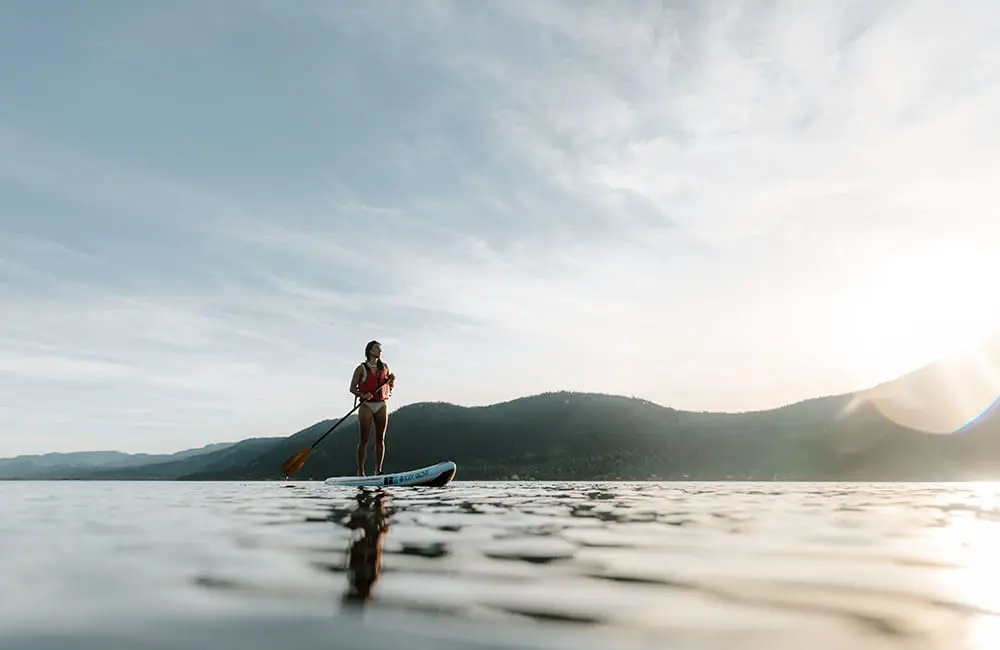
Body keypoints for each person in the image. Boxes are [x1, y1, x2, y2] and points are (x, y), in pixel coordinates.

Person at [349, 340, 395, 476]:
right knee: (364, 440)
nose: (380, 351)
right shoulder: (361, 368)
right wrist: (362, 394)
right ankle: (361, 471)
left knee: (380, 439)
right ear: (370, 351)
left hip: (381, 404)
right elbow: (352, 388)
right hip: (366, 405)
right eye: (377, 349)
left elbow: (390, 386)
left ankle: (378, 470)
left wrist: (392, 380)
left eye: (380, 349)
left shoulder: (385, 367)